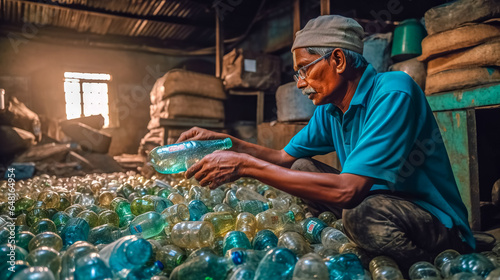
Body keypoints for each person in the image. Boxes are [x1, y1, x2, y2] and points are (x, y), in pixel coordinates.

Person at [176, 15, 475, 271]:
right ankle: (354, 240)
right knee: (303, 165)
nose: (300, 83)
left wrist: (244, 166)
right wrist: (226, 144)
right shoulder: (330, 109)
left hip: (432, 220)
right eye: (298, 73)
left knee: (359, 214)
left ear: (338, 59)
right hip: (375, 202)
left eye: (305, 69)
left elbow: (348, 191)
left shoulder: (393, 93)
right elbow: (282, 157)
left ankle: (434, 264)